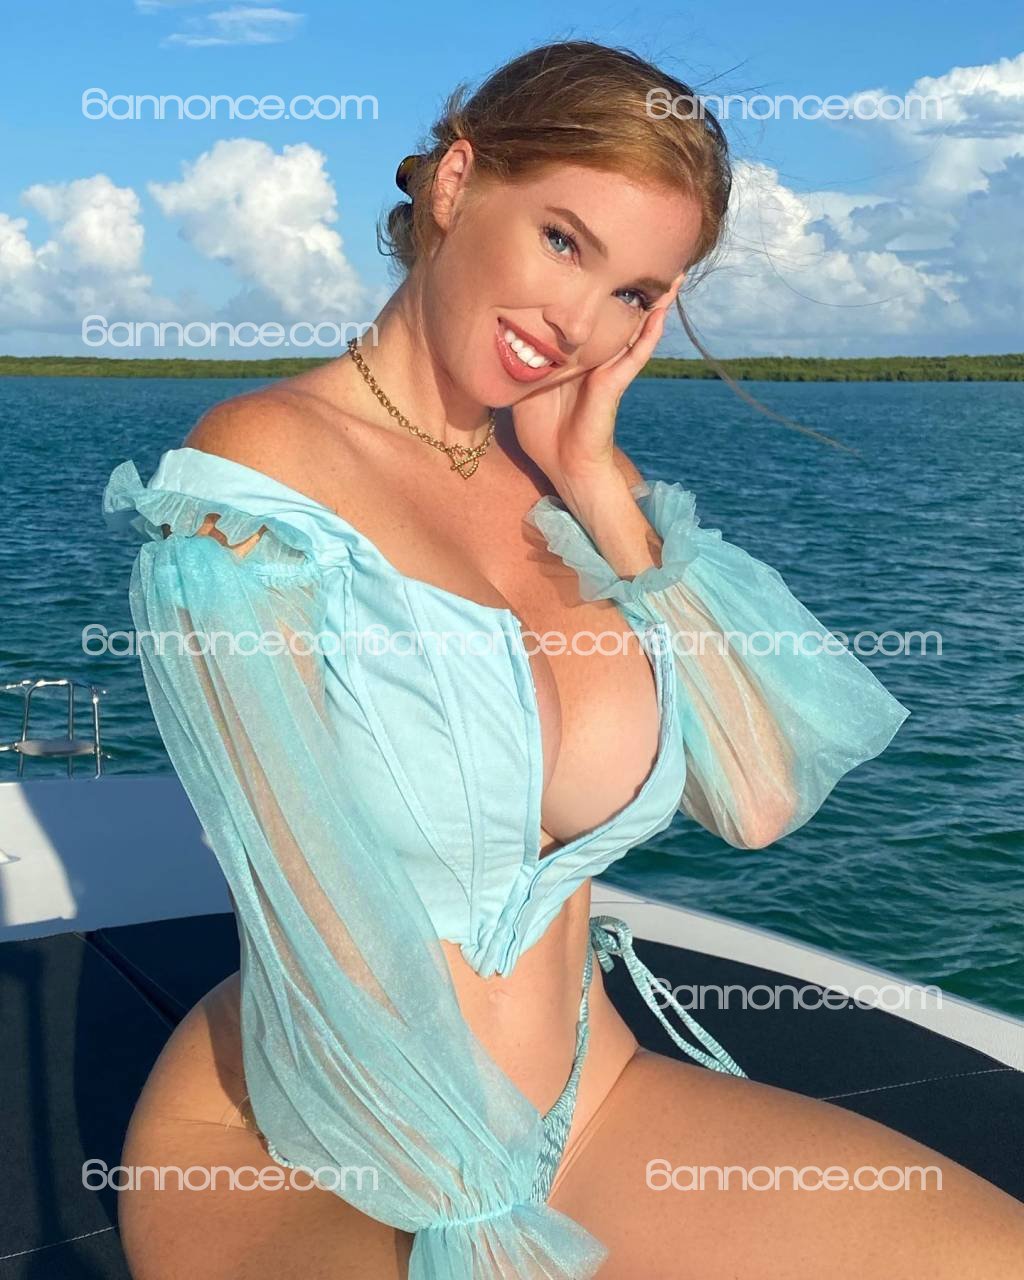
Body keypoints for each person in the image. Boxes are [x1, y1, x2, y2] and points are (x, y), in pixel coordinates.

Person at [102, 38, 1024, 1280]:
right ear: (456, 182)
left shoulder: (581, 486)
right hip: (322, 1133)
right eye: (562, 241)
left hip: (588, 1099)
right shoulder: (259, 479)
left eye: (636, 293)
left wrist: (592, 477)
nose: (580, 324)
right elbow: (319, 916)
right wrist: (486, 1227)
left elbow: (754, 797)